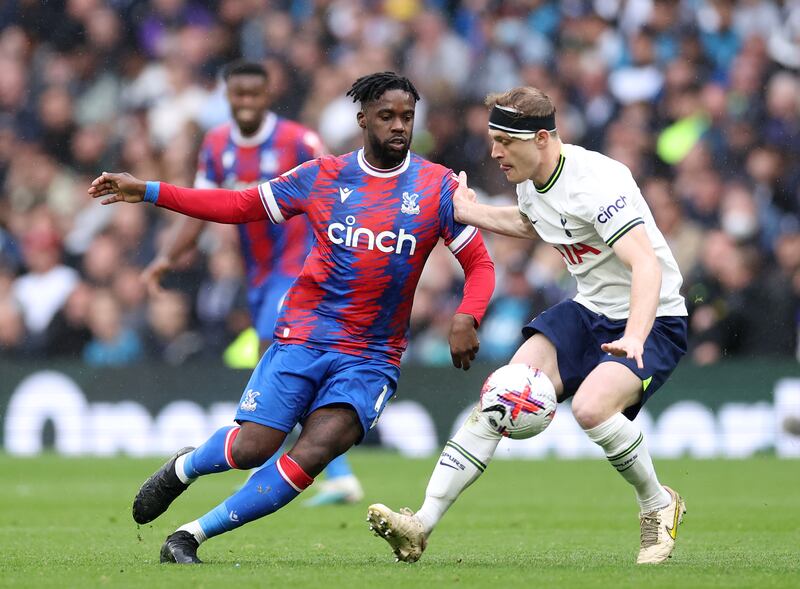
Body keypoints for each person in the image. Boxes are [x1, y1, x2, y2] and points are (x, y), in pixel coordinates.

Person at [88, 72, 495, 564]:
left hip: (371, 356)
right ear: (362, 119)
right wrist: (149, 190)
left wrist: (467, 315)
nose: (398, 127)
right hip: (305, 336)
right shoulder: (323, 175)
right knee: (253, 447)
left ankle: (188, 537)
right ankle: (185, 468)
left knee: (315, 452)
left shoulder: (437, 186)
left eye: (406, 117)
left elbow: (480, 264)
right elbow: (239, 204)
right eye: (386, 116)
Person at [367, 86, 689, 565]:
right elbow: (533, 222)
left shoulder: (598, 182)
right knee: (501, 394)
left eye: (504, 141)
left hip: (653, 316)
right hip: (588, 310)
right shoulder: (532, 179)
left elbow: (646, 265)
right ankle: (420, 525)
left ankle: (658, 503)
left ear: (541, 138)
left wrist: (635, 336)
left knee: (592, 409)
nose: (494, 152)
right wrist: (465, 209)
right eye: (492, 139)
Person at [142, 60, 362, 506]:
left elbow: (340, 192)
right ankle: (331, 472)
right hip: (258, 274)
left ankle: (283, 462)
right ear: (227, 96)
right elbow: (204, 206)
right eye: (237, 95)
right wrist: (167, 256)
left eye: (253, 95)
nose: (245, 103)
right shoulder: (217, 144)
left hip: (301, 270)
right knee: (279, 366)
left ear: (267, 96)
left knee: (275, 353)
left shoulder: (299, 141)